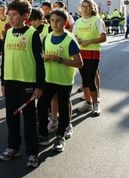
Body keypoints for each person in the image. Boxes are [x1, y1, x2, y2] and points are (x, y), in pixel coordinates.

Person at [0, 0, 44, 168]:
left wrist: (39, 86)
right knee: (11, 117)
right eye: (9, 14)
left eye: (14, 14)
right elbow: (5, 60)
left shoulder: (33, 34)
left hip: (27, 83)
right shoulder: (8, 32)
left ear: (25, 16)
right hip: (10, 82)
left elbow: (40, 62)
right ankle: (13, 146)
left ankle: (32, 152)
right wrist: (3, 81)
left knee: (29, 120)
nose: (10, 17)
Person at [37, 8, 83, 152]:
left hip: (64, 80)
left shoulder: (70, 39)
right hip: (49, 79)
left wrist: (60, 59)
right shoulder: (47, 38)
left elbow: (79, 63)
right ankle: (43, 134)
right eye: (52, 20)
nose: (55, 23)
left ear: (65, 22)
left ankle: (60, 136)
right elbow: (44, 56)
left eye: (58, 21)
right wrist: (44, 58)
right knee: (42, 106)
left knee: (63, 109)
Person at [73, 0, 106, 116]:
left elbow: (103, 38)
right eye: (83, 6)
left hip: (93, 53)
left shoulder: (97, 20)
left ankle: (96, 104)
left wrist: (89, 41)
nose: (85, 9)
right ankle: (88, 103)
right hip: (81, 53)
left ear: (93, 8)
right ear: (80, 8)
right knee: (84, 80)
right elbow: (74, 37)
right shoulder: (78, 22)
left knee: (90, 80)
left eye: (88, 6)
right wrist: (77, 40)